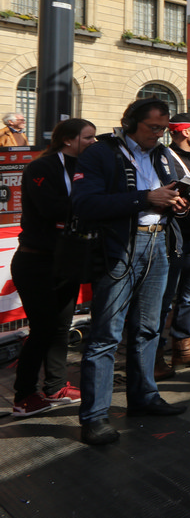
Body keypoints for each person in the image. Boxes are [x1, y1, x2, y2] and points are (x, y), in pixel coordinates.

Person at [72, 98, 189, 445]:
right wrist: (145, 198)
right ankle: (94, 417)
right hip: (119, 249)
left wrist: (177, 203)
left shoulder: (163, 154)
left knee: (149, 328)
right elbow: (85, 204)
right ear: (130, 123)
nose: (159, 134)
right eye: (153, 127)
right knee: (106, 334)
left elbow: (167, 195)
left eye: (163, 128)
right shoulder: (101, 153)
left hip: (159, 243)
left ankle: (144, 396)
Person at [10, 118, 95, 418]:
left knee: (61, 326)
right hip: (36, 260)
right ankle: (23, 396)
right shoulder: (41, 167)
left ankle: (56, 386)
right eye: (88, 138)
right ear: (68, 140)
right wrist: (95, 203)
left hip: (67, 258)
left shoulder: (86, 167)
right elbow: (51, 208)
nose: (93, 143)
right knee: (43, 328)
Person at [155, 112, 190, 380]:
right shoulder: (163, 157)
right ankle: (155, 356)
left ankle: (183, 349)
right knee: (164, 300)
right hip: (171, 240)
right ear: (185, 131)